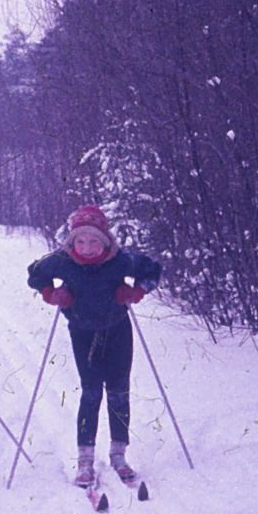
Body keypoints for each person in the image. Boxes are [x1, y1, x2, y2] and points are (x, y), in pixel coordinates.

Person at [26, 205, 163, 490]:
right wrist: (52, 293)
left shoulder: (120, 260)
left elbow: (153, 269)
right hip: (82, 333)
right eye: (81, 241)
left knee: (119, 391)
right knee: (90, 392)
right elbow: (35, 274)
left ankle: (119, 455)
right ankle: (85, 459)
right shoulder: (62, 261)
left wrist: (136, 291)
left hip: (117, 330)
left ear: (105, 241)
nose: (87, 248)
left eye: (94, 241)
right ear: (72, 241)